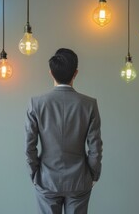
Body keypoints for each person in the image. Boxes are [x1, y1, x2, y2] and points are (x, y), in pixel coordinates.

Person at [24, 48, 103, 214]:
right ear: (76, 73)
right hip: (79, 180)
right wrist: (93, 175)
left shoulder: (36, 103)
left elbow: (30, 146)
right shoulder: (89, 104)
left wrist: (34, 174)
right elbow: (95, 146)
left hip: (47, 179)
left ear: (51, 72)